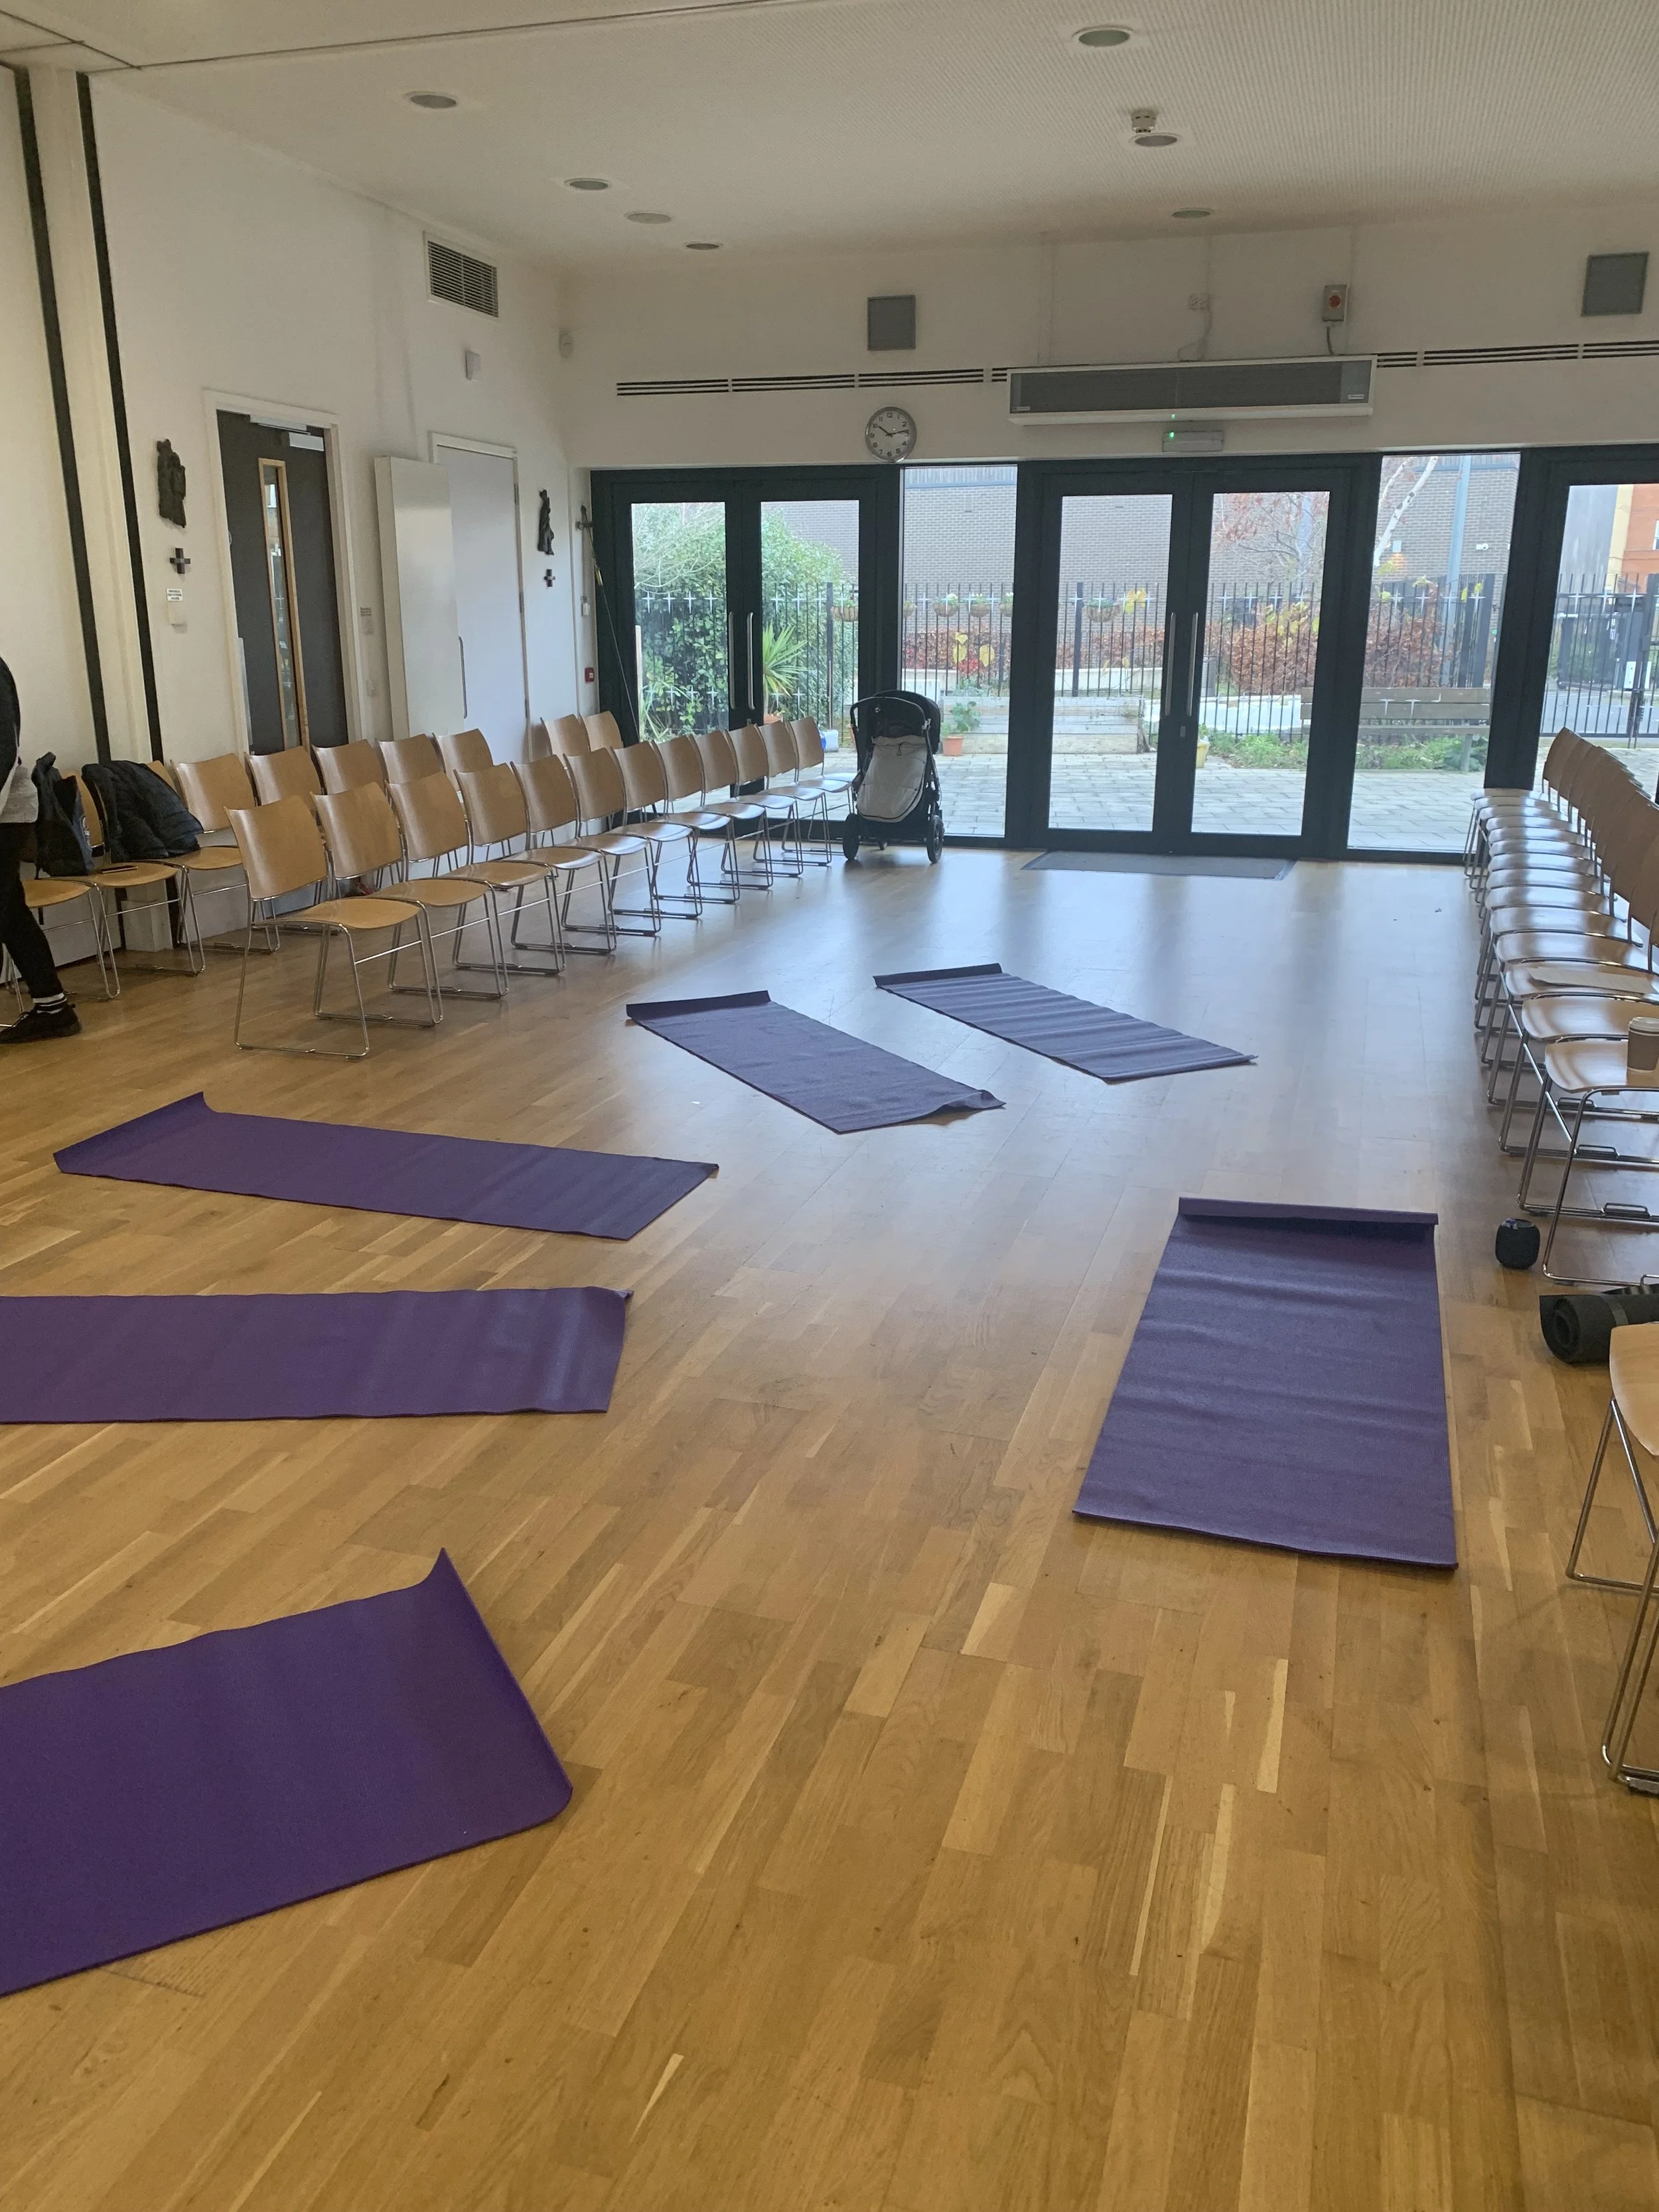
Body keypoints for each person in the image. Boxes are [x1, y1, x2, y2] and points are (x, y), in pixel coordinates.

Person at [0, 655, 80, 1043]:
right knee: (10, 912)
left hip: (4, 813)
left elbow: (1, 752)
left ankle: (55, 1009)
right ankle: (54, 1009)